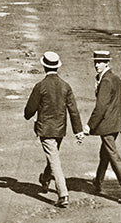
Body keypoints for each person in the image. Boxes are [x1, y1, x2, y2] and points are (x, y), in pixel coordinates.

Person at [23, 51, 84, 209]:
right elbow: (74, 111)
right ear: (57, 67)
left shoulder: (40, 86)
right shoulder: (66, 86)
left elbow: (29, 110)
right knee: (53, 155)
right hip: (60, 130)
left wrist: (28, 115)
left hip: (45, 129)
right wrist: (78, 131)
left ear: (43, 66)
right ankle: (44, 179)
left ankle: (63, 194)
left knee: (55, 160)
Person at [85, 50, 121, 203]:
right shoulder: (115, 78)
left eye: (100, 62)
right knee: (105, 153)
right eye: (95, 62)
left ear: (107, 62)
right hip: (115, 123)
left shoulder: (106, 81)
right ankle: (98, 181)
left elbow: (101, 107)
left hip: (107, 125)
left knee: (112, 155)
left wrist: (89, 126)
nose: (96, 65)